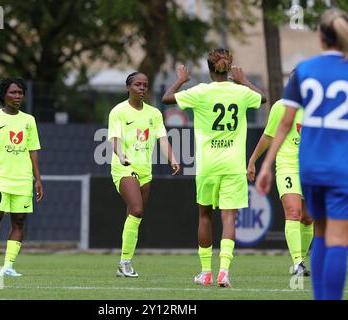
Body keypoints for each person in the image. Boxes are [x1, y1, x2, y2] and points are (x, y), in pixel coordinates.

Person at [256, 8, 348, 300]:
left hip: (310, 166)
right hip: (341, 166)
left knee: (319, 232)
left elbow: (284, 124)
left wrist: (265, 165)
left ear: (321, 38)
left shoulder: (305, 70)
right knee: (337, 238)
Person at [162, 48, 266, 287]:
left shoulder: (200, 92)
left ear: (209, 70)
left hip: (208, 165)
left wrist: (180, 80)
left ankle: (206, 272)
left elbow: (167, 99)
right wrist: (243, 80)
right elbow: (262, 98)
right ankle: (224, 273)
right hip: (233, 164)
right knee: (229, 218)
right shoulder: (240, 92)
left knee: (205, 217)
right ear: (229, 68)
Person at [108, 72, 180, 278]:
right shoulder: (119, 111)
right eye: (137, 84)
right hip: (123, 168)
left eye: (145, 85)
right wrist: (121, 156)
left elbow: (163, 139)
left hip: (145, 170)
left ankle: (124, 263)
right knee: (137, 209)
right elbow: (114, 139)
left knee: (134, 216)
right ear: (128, 87)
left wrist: (173, 159)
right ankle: (125, 263)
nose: (142, 88)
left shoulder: (154, 113)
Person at [0, 78, 44, 277]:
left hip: (23, 180)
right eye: (13, 92)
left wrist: (38, 179)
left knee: (19, 222)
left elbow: (33, 151)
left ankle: (8, 266)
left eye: (20, 93)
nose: (17, 96)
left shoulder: (28, 120)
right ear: (4, 95)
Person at [248, 98, 313, 276]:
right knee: (294, 212)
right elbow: (268, 136)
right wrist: (253, 160)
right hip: (288, 167)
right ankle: (297, 262)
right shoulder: (281, 107)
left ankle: (301, 260)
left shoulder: (316, 106)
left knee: (308, 218)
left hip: (310, 169)